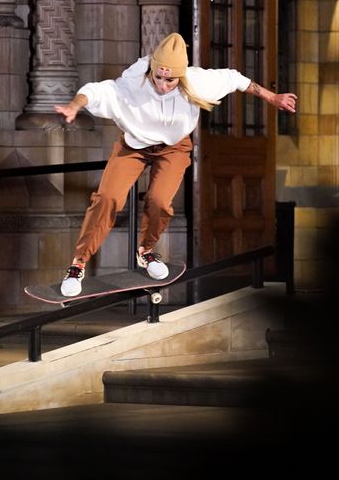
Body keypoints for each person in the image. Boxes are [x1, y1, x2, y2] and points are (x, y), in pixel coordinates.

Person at [53, 32, 297, 296]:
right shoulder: (132, 82)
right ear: (152, 70)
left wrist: (272, 98)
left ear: (180, 76)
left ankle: (146, 251)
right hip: (132, 146)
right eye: (158, 77)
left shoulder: (198, 81)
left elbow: (236, 79)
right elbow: (93, 92)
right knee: (108, 198)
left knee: (159, 201)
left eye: (170, 80)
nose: (163, 85)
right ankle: (78, 265)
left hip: (174, 148)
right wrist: (74, 106)